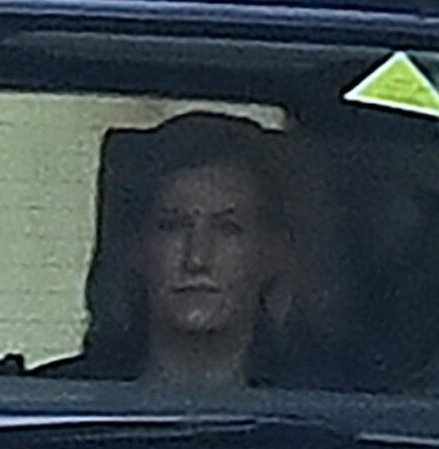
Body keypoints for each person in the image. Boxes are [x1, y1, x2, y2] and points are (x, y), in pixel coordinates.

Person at [57, 110, 320, 387]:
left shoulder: (329, 411)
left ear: (273, 254)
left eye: (228, 229)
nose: (197, 258)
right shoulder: (59, 404)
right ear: (135, 249)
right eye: (172, 226)